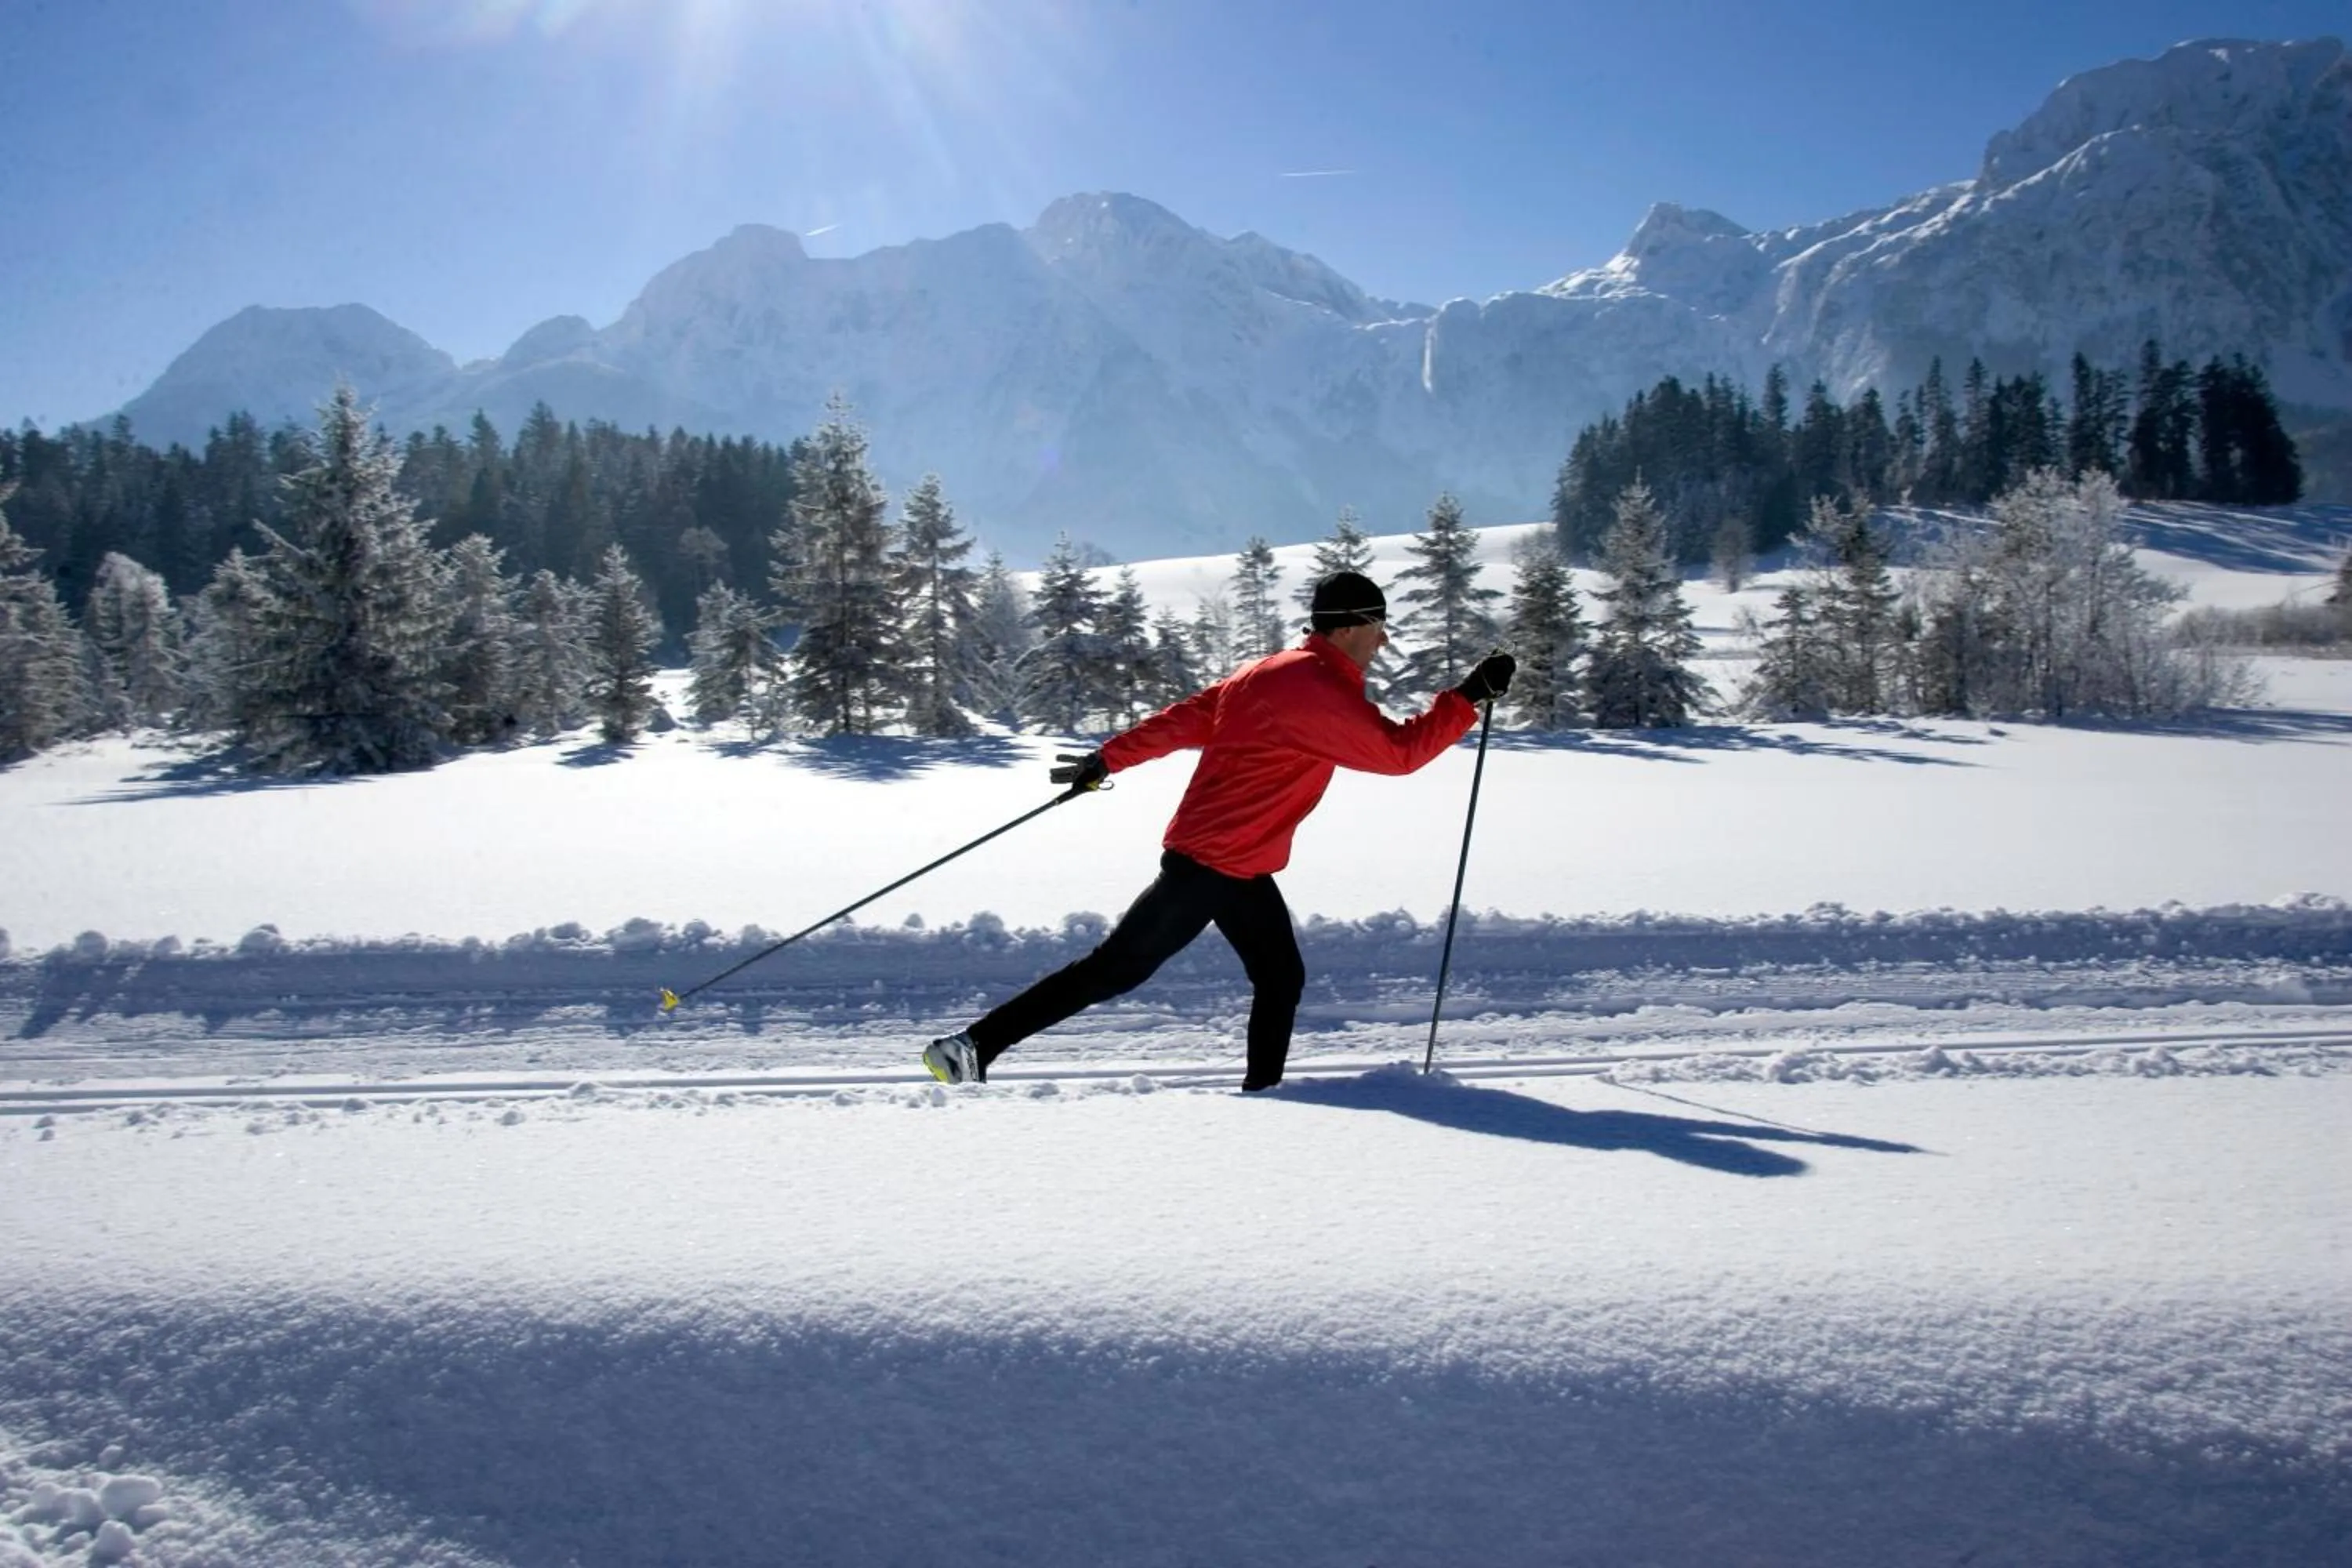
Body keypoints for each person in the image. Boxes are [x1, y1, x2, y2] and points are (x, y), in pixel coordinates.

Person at [922, 570, 1514, 1091]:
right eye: (1379, 625)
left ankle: (1266, 1096)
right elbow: (1400, 753)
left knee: (1281, 976)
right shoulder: (1318, 692)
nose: (1384, 639)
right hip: (1213, 863)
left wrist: (1108, 758)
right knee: (1116, 969)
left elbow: (1184, 720)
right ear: (1348, 628)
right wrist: (1466, 697)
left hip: (1238, 863)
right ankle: (973, 1046)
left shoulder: (1267, 674)